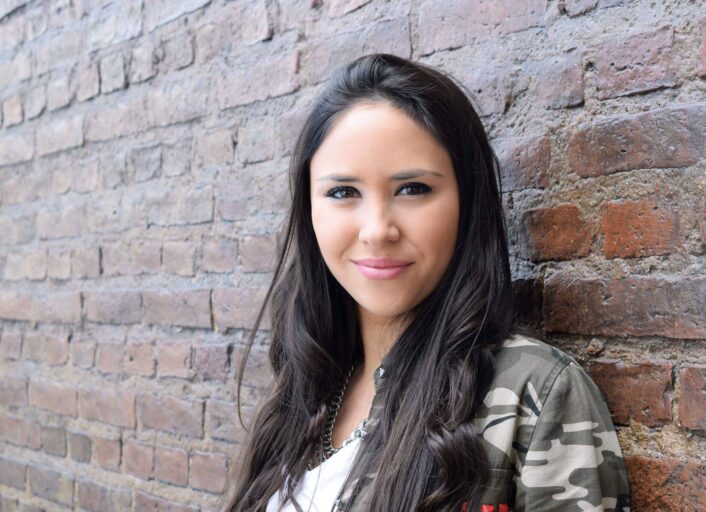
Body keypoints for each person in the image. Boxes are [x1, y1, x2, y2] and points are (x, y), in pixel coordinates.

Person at [223, 53, 631, 512]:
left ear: (466, 200)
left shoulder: (532, 394)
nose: (377, 229)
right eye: (343, 192)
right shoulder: (306, 386)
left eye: (413, 188)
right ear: (310, 209)